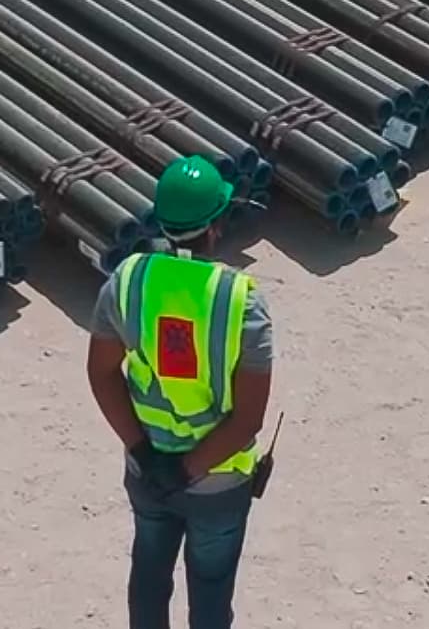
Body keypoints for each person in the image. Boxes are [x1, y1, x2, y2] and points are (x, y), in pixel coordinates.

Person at [88, 158, 271, 629]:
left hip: (148, 472)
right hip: (216, 481)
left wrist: (146, 456)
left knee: (149, 578)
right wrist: (186, 469)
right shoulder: (239, 300)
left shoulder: (129, 281)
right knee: (210, 592)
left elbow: (101, 373)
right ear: (215, 227)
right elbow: (248, 419)